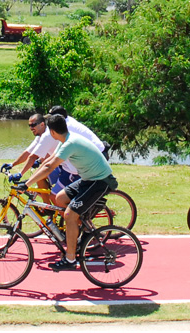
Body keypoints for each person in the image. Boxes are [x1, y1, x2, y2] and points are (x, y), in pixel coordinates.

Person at [22, 114, 117, 271]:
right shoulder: (66, 139)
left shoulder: (69, 144)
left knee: (69, 215)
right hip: (89, 179)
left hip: (100, 181)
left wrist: (26, 184)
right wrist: (29, 179)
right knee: (59, 198)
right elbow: (48, 161)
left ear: (52, 132)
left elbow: (49, 167)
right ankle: (86, 227)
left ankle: (70, 259)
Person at [0, 113, 78, 205]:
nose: (31, 128)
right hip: (60, 164)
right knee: (39, 178)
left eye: (33, 125)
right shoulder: (40, 135)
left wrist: (21, 174)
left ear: (42, 124)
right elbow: (28, 152)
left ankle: (58, 211)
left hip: (68, 167)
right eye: (29, 125)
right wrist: (12, 164)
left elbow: (32, 157)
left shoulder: (47, 135)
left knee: (53, 194)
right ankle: (47, 207)